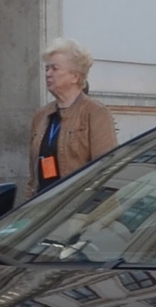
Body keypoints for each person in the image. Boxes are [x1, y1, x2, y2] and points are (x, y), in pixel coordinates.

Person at [28, 38, 116, 193]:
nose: (48, 74)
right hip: (44, 206)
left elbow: (105, 169)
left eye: (55, 69)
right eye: (47, 68)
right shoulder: (41, 115)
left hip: (79, 208)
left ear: (75, 76)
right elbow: (33, 174)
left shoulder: (95, 112)